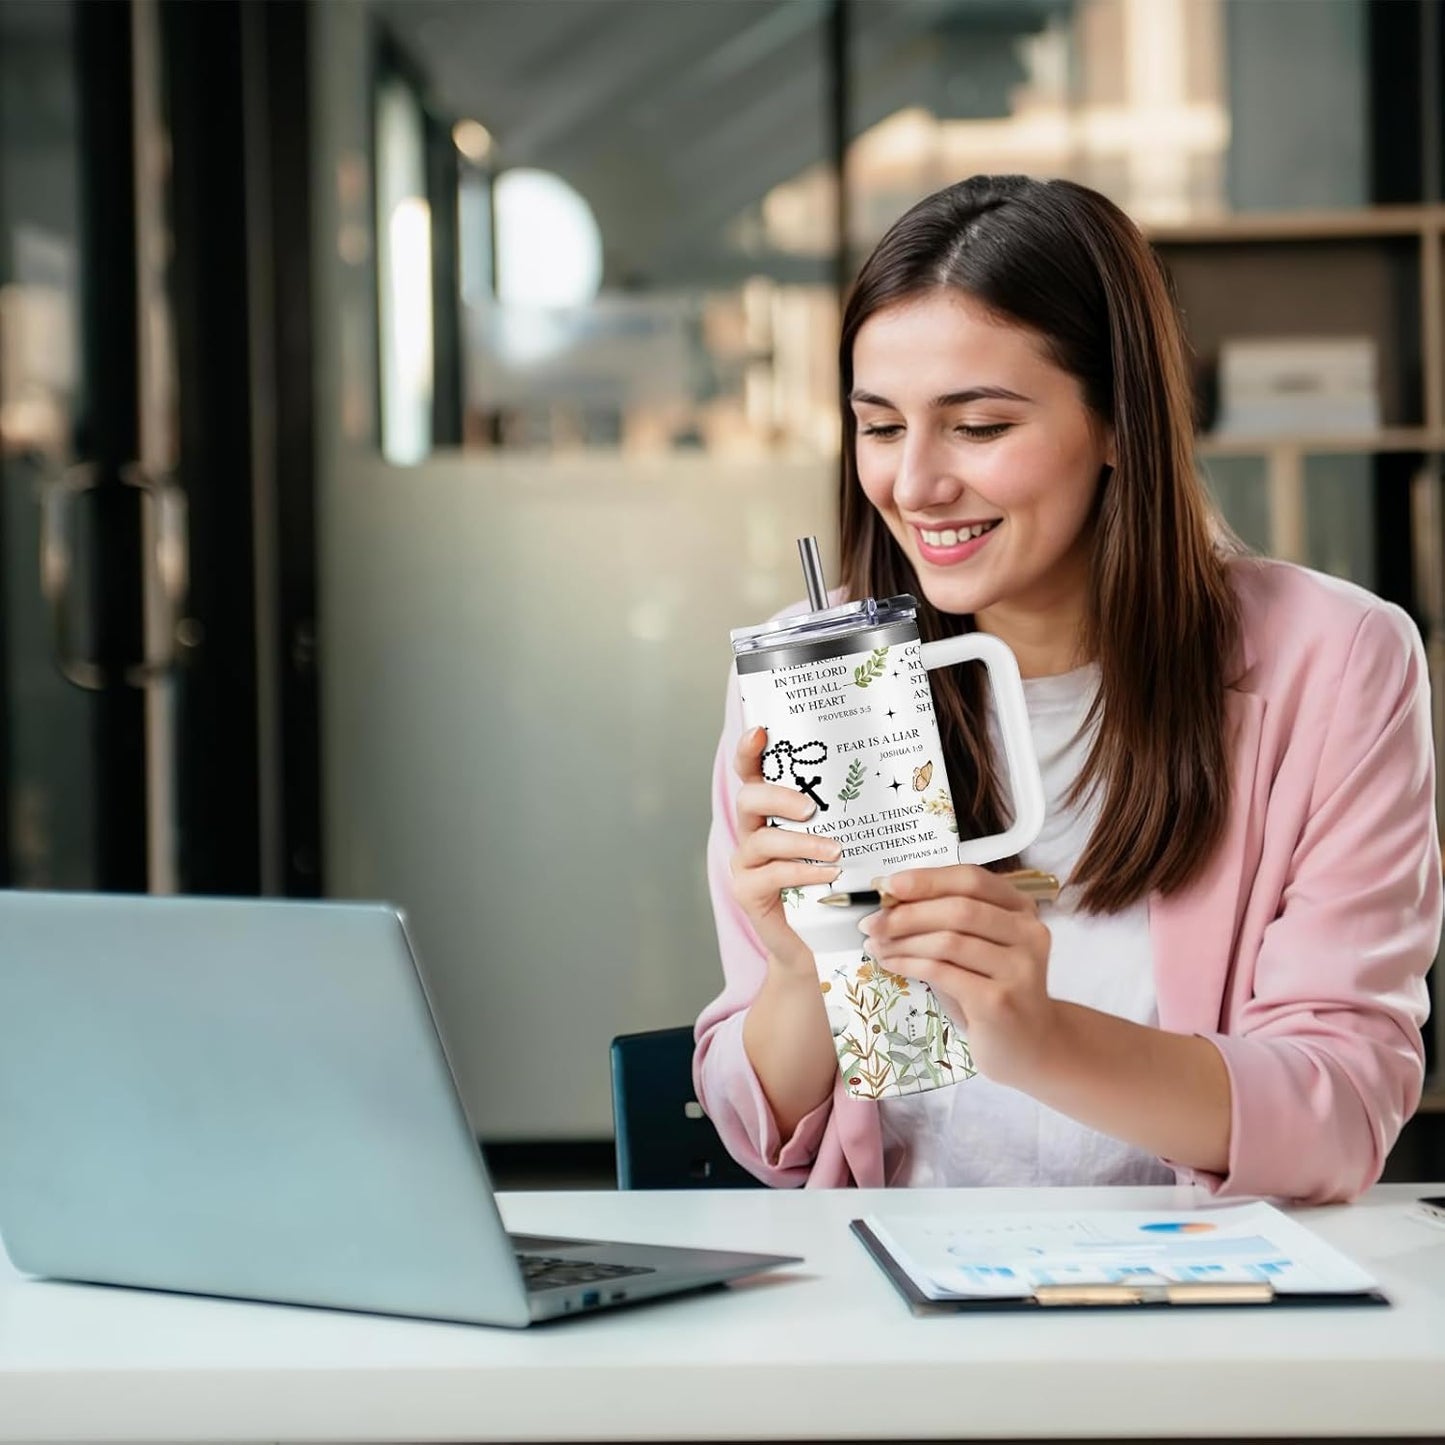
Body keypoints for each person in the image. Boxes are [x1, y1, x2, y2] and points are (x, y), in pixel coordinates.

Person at [693, 174, 1441, 1204]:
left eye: (979, 426)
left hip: (1201, 1301)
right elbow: (762, 1133)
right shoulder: (817, 675)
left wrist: (1037, 1035)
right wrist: (793, 976)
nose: (912, 484)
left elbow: (1341, 1107)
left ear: (1116, 423)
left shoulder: (1334, 658)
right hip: (894, 1298)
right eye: (878, 425)